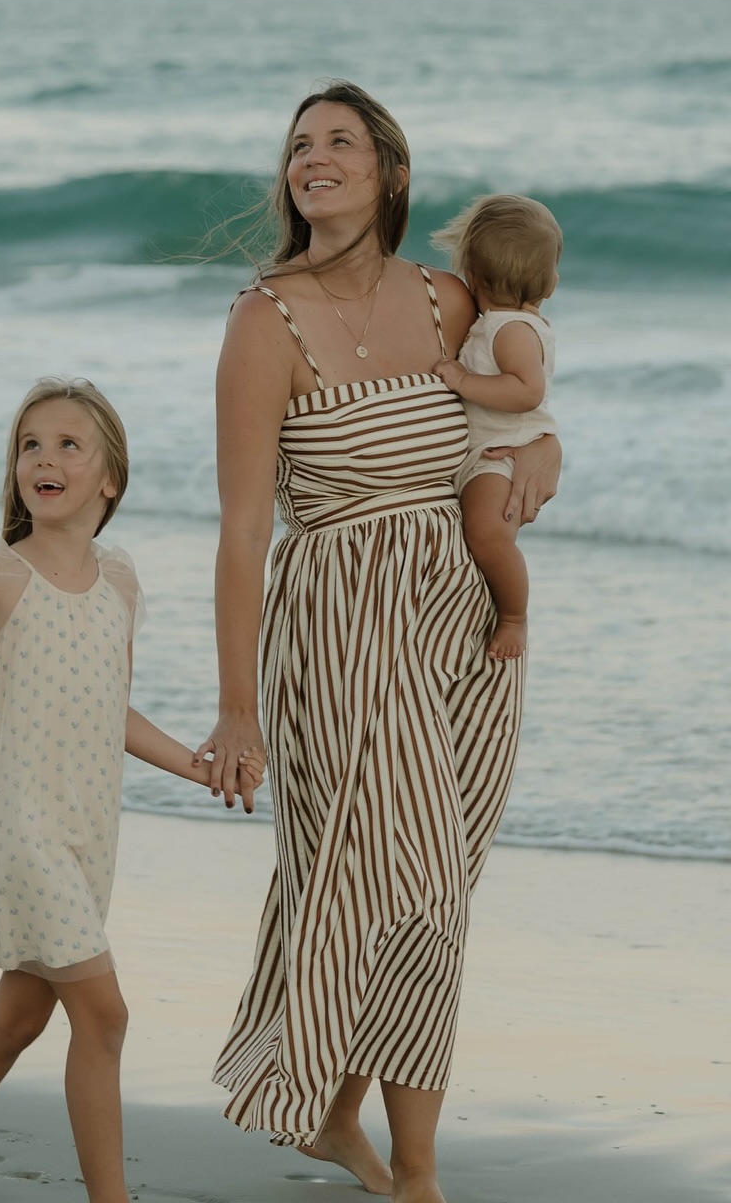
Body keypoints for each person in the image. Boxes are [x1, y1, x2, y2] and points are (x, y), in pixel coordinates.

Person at [197, 83, 561, 1203]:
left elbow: (517, 417)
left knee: (428, 882)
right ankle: (415, 1173)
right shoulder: (265, 322)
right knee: (415, 883)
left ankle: (341, 1115)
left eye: (341, 141)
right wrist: (238, 707)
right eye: (301, 144)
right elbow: (245, 531)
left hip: (461, 628)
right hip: (340, 629)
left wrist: (544, 463)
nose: (316, 157)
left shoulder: (448, 300)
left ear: (390, 174)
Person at [0, 379, 252, 1203]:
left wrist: (198, 764)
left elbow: (112, 710)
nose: (45, 457)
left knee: (18, 1020)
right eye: (30, 444)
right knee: (105, 1017)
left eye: (70, 444)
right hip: (15, 827)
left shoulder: (121, 585)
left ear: (110, 478)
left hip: (83, 832)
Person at [430, 195, 563, 661]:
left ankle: (513, 616)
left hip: (503, 453)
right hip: (486, 449)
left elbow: (527, 391)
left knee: (488, 536)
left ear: (474, 276)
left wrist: (465, 380)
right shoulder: (502, 324)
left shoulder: (511, 330)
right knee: (482, 536)